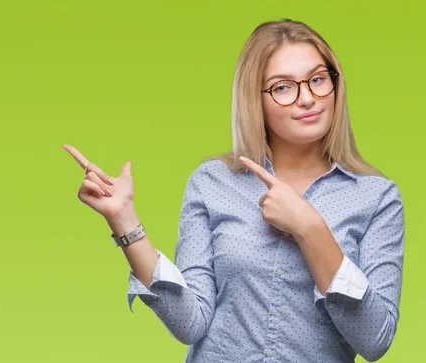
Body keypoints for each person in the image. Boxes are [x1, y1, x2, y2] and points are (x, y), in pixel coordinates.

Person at [63, 18, 404, 363]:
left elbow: (374, 340)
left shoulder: (377, 199)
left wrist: (309, 226)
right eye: (283, 87)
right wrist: (124, 221)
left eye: (317, 80)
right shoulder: (212, 182)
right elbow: (190, 324)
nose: (307, 98)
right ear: (254, 99)